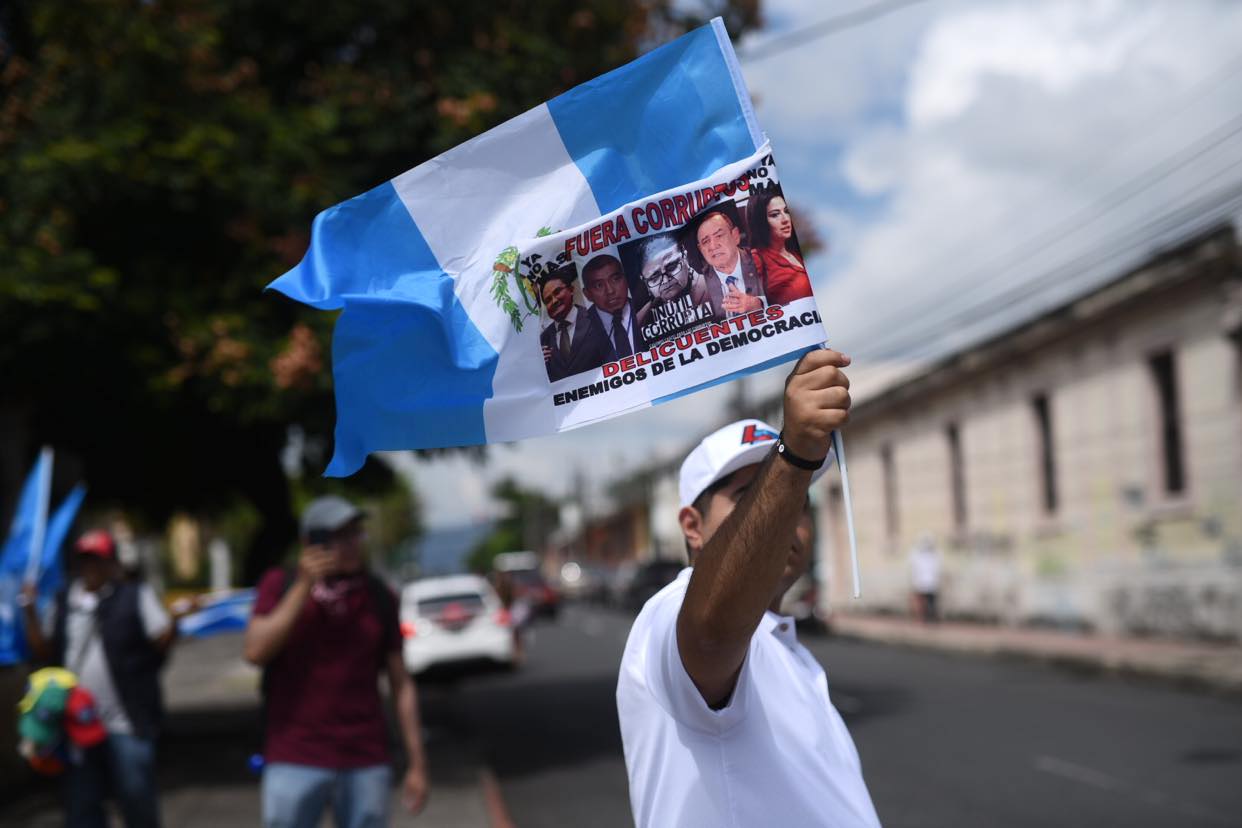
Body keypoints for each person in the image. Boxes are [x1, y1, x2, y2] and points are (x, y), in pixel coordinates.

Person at [617, 350, 881, 828]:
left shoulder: (790, 649)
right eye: (750, 496)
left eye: (796, 500)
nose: (785, 517)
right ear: (692, 527)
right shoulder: (671, 612)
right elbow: (711, 635)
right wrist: (794, 455)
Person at [244, 495, 428, 828]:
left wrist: (417, 762)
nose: (351, 545)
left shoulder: (378, 596)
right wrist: (303, 585)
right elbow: (256, 651)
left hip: (365, 757)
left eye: (355, 534)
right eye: (338, 536)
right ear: (309, 543)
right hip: (294, 755)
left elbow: (401, 685)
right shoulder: (279, 584)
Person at [22, 529, 176, 828]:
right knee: (82, 804)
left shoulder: (134, 595)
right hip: (77, 725)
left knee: (136, 797)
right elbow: (44, 651)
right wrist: (29, 612)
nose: (90, 567)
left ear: (111, 563)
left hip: (127, 721)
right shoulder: (64, 599)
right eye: (85, 560)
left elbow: (160, 641)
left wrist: (178, 621)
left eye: (97, 560)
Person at [632, 233, 715, 346]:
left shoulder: (716, 288)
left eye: (672, 267)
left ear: (685, 257)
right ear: (644, 281)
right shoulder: (640, 321)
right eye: (654, 277)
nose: (666, 280)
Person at [539, 265, 613, 382]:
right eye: (548, 300)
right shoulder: (543, 340)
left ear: (571, 290)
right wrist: (539, 367)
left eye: (557, 292)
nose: (554, 301)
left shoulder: (598, 319)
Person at [693, 209, 767, 317]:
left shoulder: (763, 259)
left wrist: (757, 304)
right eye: (706, 241)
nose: (713, 246)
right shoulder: (699, 286)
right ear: (701, 250)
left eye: (719, 236)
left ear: (735, 236)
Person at [748, 188, 813, 305]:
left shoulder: (796, 253)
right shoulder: (757, 258)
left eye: (786, 211)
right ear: (760, 221)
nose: (785, 219)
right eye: (775, 215)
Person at [581, 253, 645, 359]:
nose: (610, 291)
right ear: (587, 294)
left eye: (615, 279)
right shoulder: (582, 329)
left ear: (626, 280)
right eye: (599, 285)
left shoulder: (647, 307)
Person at [910, 536, 941, 623]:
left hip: (929, 583)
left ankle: (929, 618)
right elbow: (915, 569)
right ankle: (924, 619)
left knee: (930, 603)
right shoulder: (918, 555)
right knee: (924, 603)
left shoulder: (934, 555)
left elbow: (935, 569)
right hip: (923, 583)